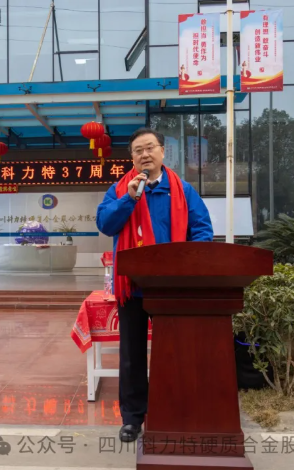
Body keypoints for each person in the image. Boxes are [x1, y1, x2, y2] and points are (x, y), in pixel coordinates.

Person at [96, 127, 214, 443]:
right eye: (138, 150)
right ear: (132, 158)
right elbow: (106, 224)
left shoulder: (182, 190)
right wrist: (129, 198)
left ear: (163, 151)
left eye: (150, 148)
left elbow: (202, 231)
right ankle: (132, 418)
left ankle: (173, 409)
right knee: (131, 356)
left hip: (171, 288)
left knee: (174, 352)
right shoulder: (120, 189)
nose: (145, 154)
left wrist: (185, 264)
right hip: (132, 287)